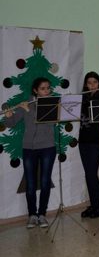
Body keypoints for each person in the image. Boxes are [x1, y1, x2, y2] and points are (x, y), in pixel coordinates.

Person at [3, 77, 57, 229]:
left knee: (45, 181)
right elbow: (11, 123)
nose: (46, 91)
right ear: (35, 90)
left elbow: (50, 122)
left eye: (48, 88)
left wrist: (29, 111)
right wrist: (8, 114)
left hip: (47, 146)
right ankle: (32, 215)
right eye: (43, 89)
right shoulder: (27, 104)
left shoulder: (51, 103)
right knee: (31, 182)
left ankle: (42, 214)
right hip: (29, 147)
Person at [78, 72, 99, 219]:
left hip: (96, 141)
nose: (92, 85)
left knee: (92, 173)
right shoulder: (82, 97)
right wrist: (72, 100)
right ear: (85, 84)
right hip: (83, 140)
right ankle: (93, 205)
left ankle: (98, 207)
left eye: (95, 82)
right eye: (89, 83)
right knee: (88, 174)